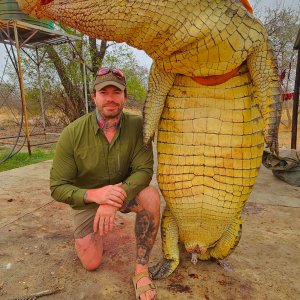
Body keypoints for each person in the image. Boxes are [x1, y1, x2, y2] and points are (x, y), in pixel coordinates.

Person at [50, 67, 160, 300]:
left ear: (125, 96)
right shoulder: (72, 133)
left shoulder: (138, 128)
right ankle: (95, 232)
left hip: (124, 192)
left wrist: (113, 199)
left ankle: (141, 271)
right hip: (88, 198)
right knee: (91, 263)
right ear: (94, 97)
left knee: (150, 196)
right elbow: (57, 186)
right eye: (104, 92)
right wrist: (95, 196)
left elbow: (143, 171)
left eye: (116, 92)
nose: (110, 98)